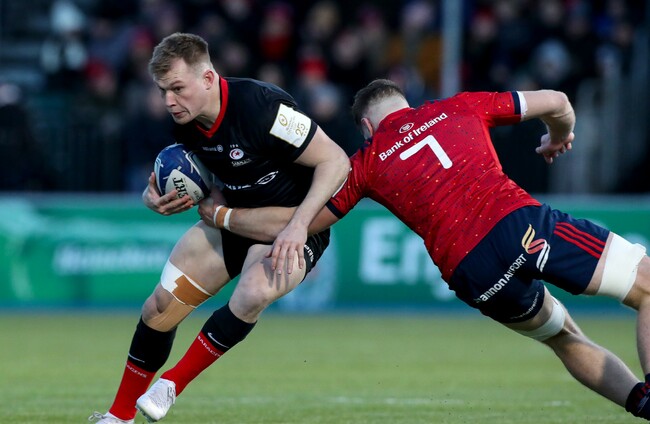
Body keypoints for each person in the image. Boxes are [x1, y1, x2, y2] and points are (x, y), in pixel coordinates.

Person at [198, 79, 650, 421]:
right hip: (517, 226)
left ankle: (642, 403)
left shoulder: (365, 163)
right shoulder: (459, 106)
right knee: (646, 288)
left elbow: (297, 224)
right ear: (406, 103)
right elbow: (558, 101)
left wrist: (222, 215)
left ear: (367, 127)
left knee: (563, 337)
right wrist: (557, 135)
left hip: (472, 272)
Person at [89, 32, 349, 423]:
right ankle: (118, 416)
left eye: (177, 88)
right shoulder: (184, 123)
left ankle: (172, 383)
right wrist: (151, 196)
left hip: (289, 223)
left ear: (208, 78)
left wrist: (298, 226)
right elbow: (190, 177)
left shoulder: (262, 107)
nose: (169, 101)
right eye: (162, 91)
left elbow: (336, 161)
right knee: (159, 307)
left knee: (253, 291)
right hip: (232, 218)